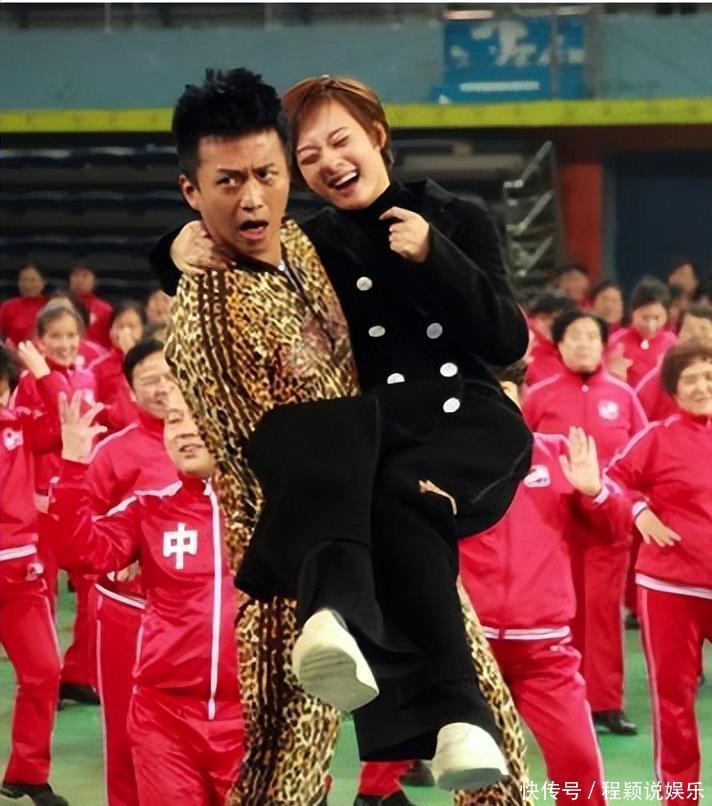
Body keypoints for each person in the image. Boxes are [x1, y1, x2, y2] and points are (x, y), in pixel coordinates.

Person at [151, 69, 532, 805]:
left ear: (377, 137)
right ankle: (363, 636)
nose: (256, 195)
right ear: (194, 192)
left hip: (410, 480)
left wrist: (438, 256)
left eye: (269, 174)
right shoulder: (273, 261)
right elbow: (262, 442)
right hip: (313, 541)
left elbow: (505, 338)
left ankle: (435, 700)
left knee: (482, 737)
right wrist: (174, 250)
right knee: (285, 765)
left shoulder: (427, 221)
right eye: (308, 155)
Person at [48, 387, 244, 806]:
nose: (184, 431)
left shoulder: (268, 512)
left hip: (250, 717)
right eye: (173, 420)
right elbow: (80, 552)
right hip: (165, 719)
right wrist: (73, 467)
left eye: (196, 417)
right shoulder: (149, 510)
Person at [461, 361, 612, 806]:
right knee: (486, 779)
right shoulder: (450, 462)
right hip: (473, 647)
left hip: (545, 648)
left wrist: (595, 494)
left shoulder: (560, 453)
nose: (497, 402)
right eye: (485, 393)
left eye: (506, 391)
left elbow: (609, 533)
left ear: (522, 397)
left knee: (579, 761)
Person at [598, 339, 712, 805]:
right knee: (674, 701)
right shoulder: (656, 437)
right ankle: (679, 798)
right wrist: (639, 511)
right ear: (673, 389)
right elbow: (611, 479)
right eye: (691, 380)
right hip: (670, 587)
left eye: (709, 377)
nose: (702, 387)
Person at [523, 309, 647, 734]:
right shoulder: (539, 396)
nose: (582, 344)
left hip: (607, 520)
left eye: (591, 336)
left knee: (605, 615)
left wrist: (634, 506)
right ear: (558, 345)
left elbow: (641, 457)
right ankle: (567, 702)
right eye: (573, 336)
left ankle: (607, 704)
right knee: (562, 615)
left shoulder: (624, 396)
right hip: (554, 525)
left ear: (603, 345)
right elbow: (521, 454)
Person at [84, 338, 177, 806]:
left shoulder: (211, 442)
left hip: (196, 616)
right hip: (128, 614)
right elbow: (86, 534)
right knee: (125, 733)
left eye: (169, 376)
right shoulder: (112, 453)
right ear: (131, 391)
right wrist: (126, 551)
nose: (161, 388)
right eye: (149, 380)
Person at [11, 302, 100, 704]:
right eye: (55, 336)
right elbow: (41, 438)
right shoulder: (29, 382)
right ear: (40, 341)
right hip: (39, 506)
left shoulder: (87, 376)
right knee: (42, 595)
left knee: (93, 587)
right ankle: (42, 675)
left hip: (77, 501)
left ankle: (78, 674)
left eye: (71, 335)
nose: (65, 343)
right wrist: (32, 495)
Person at [0, 342, 68, 806]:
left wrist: (43, 374)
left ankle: (26, 772)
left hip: (20, 573)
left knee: (44, 672)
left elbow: (66, 425)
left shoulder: (20, 426)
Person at [636, 304, 712, 421]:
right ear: (678, 336)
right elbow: (637, 417)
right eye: (689, 330)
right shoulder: (661, 377)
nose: (696, 336)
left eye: (703, 329)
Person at [606, 276, 677, 387]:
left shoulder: (673, 344)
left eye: (657, 318)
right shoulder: (615, 341)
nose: (651, 325)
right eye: (645, 318)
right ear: (632, 313)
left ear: (666, 315)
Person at [89, 302, 146, 433]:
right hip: (108, 432)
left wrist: (130, 355)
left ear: (142, 330)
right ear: (110, 331)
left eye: (132, 326)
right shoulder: (97, 368)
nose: (125, 332)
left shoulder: (150, 363)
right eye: (120, 326)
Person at [523, 291, 575, 386]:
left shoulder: (577, 353)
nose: (550, 324)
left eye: (556, 320)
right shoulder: (524, 352)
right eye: (544, 318)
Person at [0, 264, 48, 348]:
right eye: (23, 280)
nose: (27, 285)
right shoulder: (8, 306)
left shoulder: (51, 305)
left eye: (33, 280)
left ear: (43, 283)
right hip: (12, 354)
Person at [68, 262, 113, 348]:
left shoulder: (105, 310)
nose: (79, 280)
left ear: (95, 281)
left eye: (85, 276)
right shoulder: (61, 305)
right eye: (75, 275)